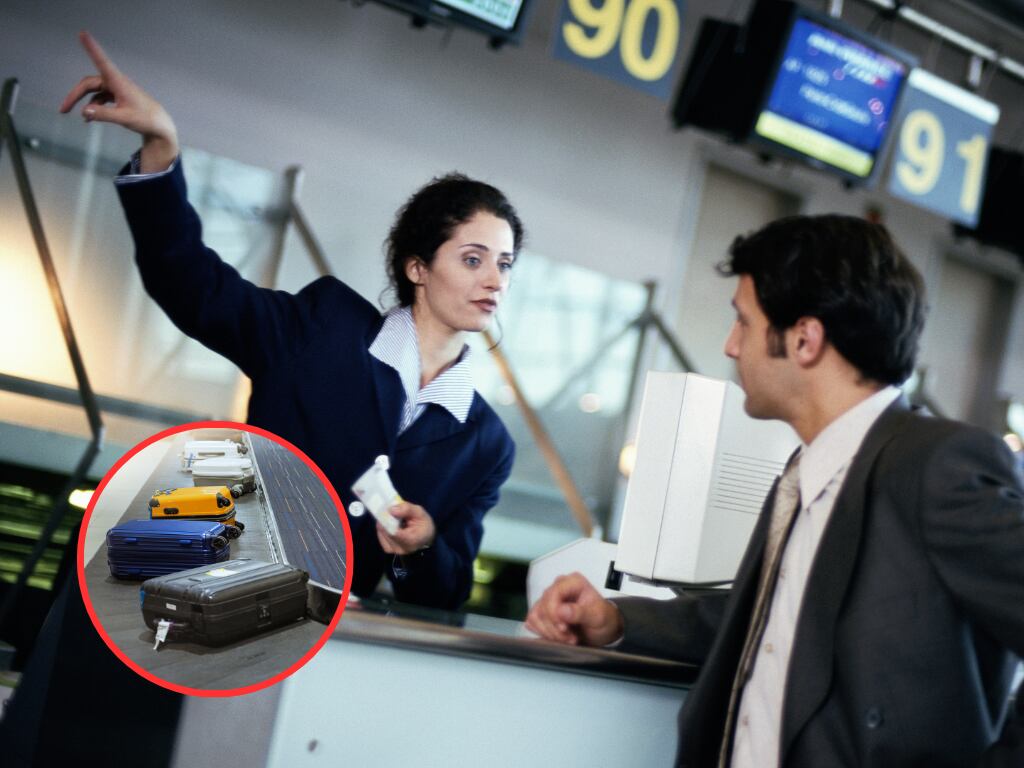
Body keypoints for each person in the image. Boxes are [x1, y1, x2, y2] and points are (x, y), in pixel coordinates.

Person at [527, 214, 1024, 767]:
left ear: (804, 340)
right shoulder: (804, 469)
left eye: (743, 322)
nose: (731, 346)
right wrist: (619, 620)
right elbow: (763, 620)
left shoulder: (936, 465)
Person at [61, 32, 519, 610]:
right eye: (472, 259)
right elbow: (196, 288)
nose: (494, 280)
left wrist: (421, 548)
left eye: (504, 264)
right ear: (418, 267)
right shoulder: (324, 327)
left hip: (298, 648)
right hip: (186, 593)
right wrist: (161, 149)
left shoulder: (485, 446)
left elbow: (443, 595)